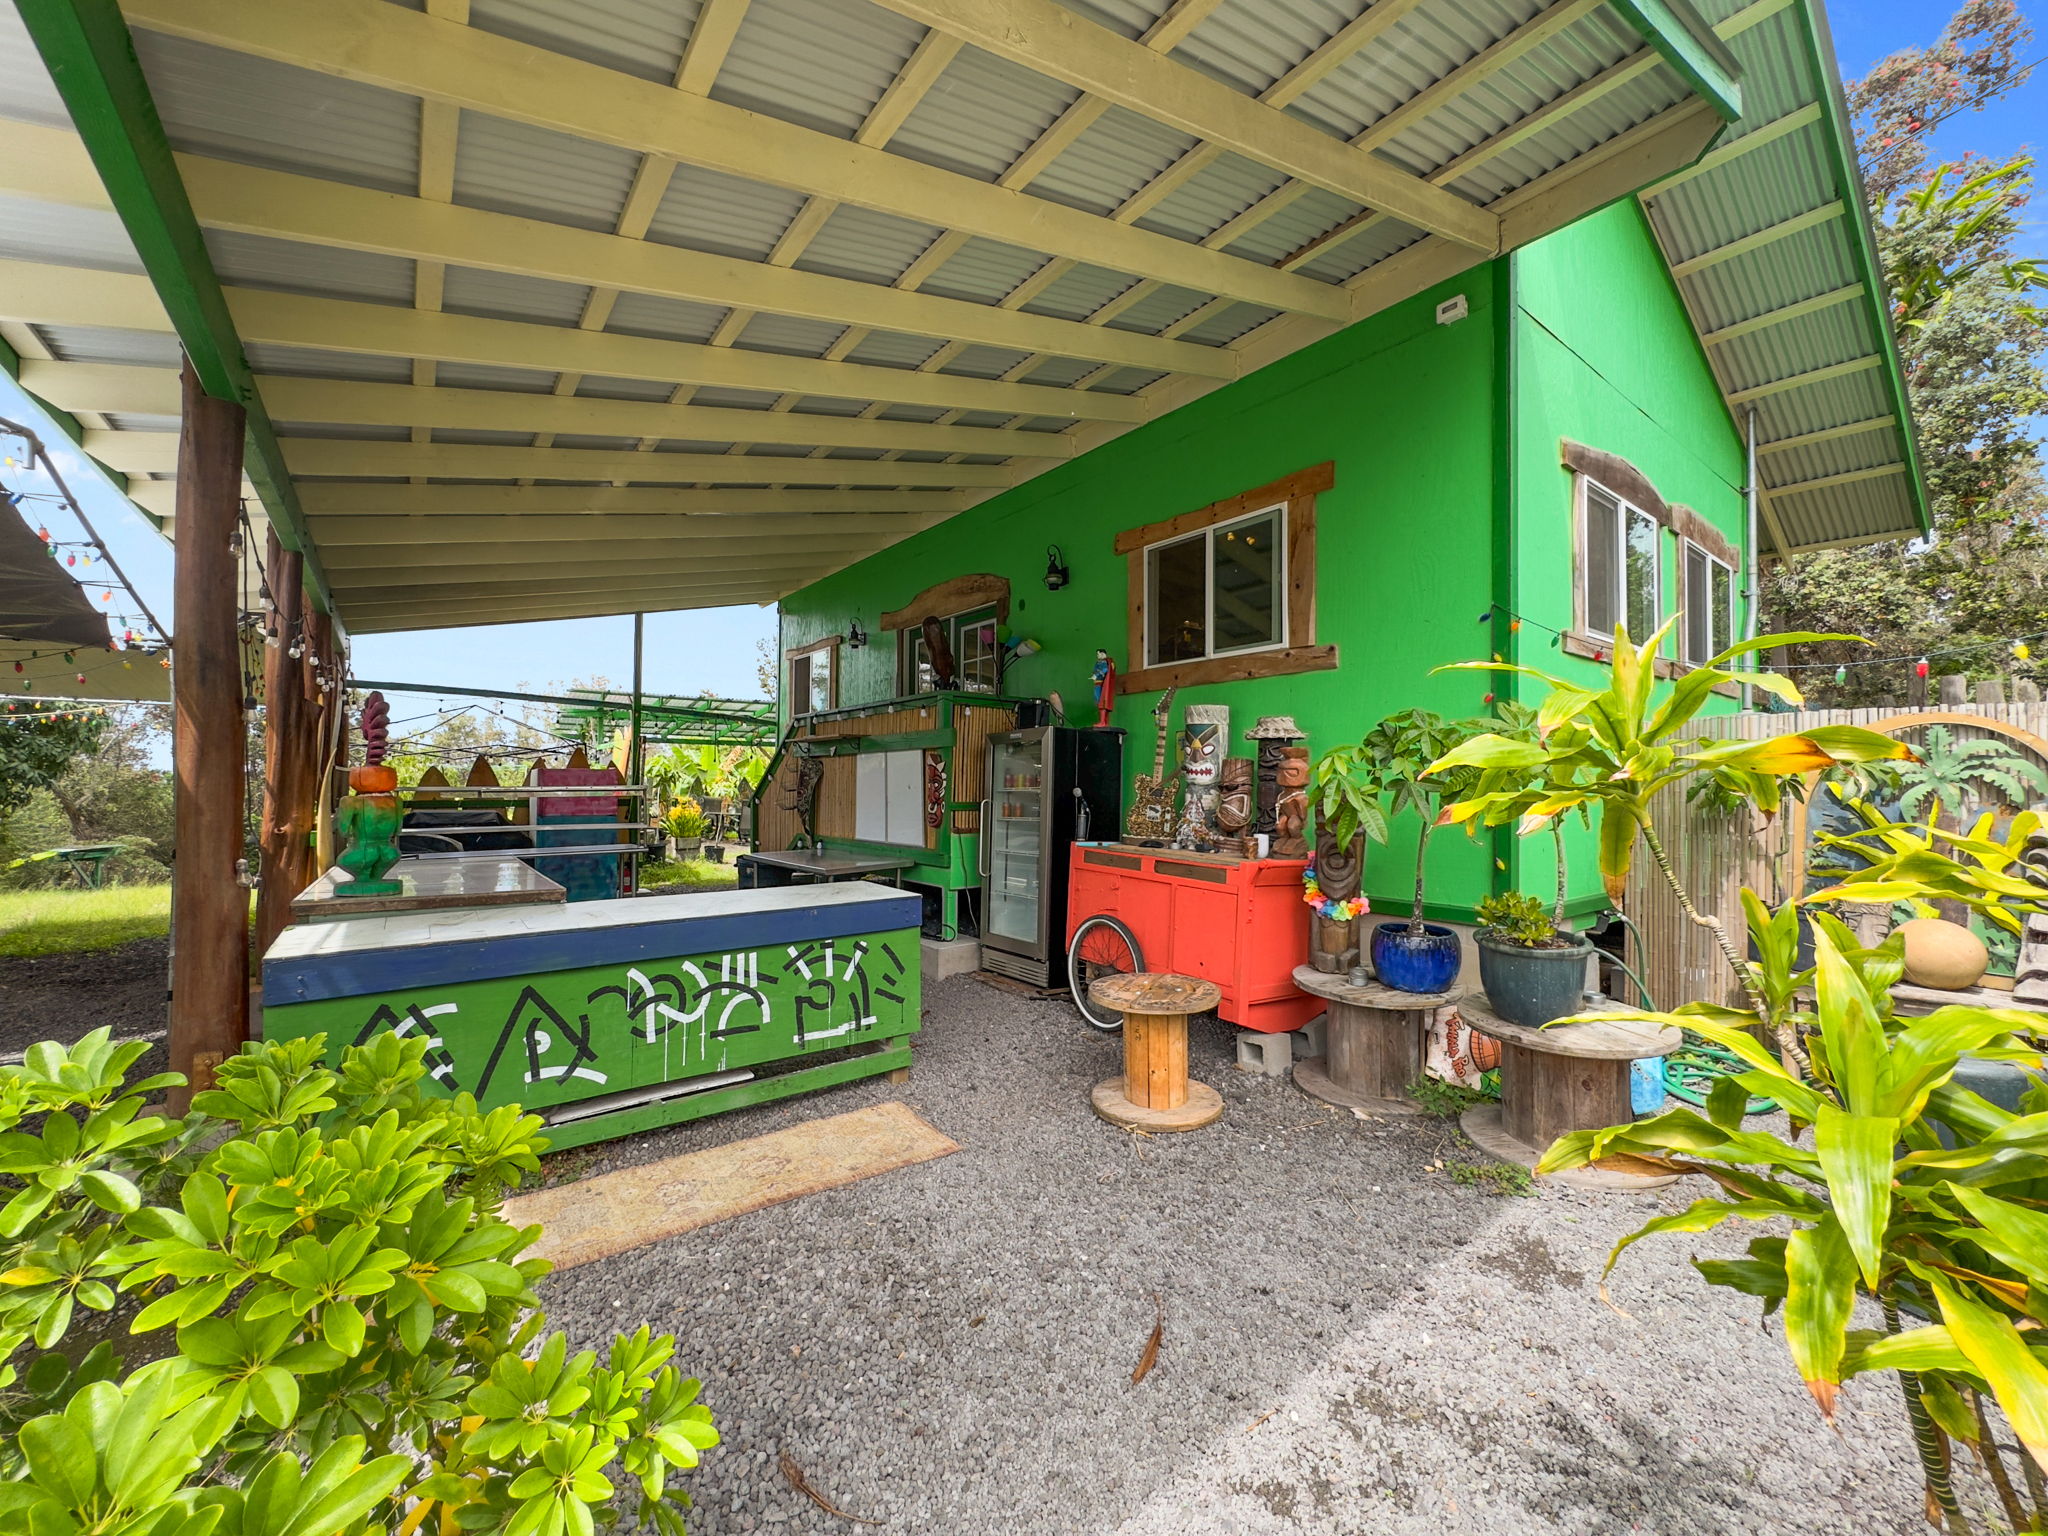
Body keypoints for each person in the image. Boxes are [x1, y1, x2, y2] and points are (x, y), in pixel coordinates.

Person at [1091, 649, 1117, 728]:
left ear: (1102, 654)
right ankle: (1103, 721)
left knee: (1101, 701)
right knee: (1099, 701)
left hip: (1100, 683)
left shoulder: (1103, 662)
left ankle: (1103, 722)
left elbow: (1105, 670)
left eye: (1098, 654)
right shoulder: (1100, 662)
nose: (1097, 656)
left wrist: (1097, 674)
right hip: (1098, 683)